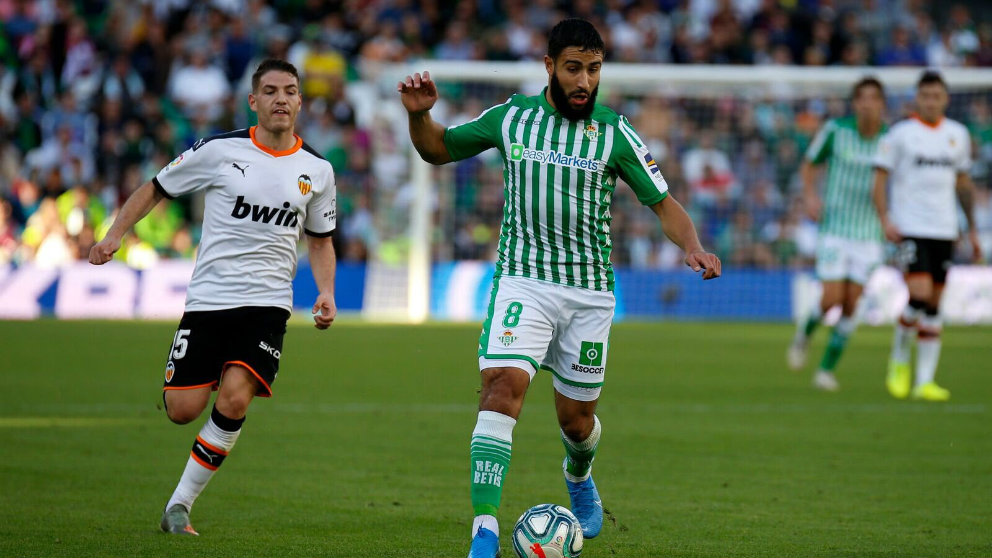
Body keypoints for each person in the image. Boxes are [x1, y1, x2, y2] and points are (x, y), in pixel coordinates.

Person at [398, 19, 721, 558]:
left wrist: (691, 245)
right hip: (523, 278)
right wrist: (420, 116)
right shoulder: (513, 118)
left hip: (589, 292)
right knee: (501, 387)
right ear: (549, 66)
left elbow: (663, 203)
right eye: (574, 68)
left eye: (593, 70)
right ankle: (484, 530)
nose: (584, 82)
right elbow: (438, 149)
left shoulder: (616, 132)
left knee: (576, 420)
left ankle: (579, 471)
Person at [89, 59, 338, 534]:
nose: (281, 99)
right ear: (253, 101)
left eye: (289, 91)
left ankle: (179, 506)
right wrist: (115, 233)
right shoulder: (220, 150)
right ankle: (187, 401)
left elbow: (321, 239)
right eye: (270, 91)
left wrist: (325, 291)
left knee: (236, 396)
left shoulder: (318, 170)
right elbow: (156, 187)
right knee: (183, 410)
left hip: (267, 304)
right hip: (209, 298)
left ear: (301, 101)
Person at [872, 70, 982, 402]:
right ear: (917, 98)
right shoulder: (900, 134)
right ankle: (899, 358)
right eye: (925, 96)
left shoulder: (958, 135)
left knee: (934, 305)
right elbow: (879, 179)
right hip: (910, 227)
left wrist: (972, 229)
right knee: (918, 295)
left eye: (937, 96)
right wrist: (884, 218)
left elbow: (963, 184)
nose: (931, 101)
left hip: (944, 228)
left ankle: (924, 381)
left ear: (945, 99)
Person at [787, 77, 887, 391]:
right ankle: (805, 334)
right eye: (862, 98)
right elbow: (810, 164)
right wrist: (810, 195)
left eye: (874, 98)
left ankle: (826, 370)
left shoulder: (891, 139)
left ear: (882, 104)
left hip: (870, 232)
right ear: (855, 103)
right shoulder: (836, 130)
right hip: (835, 228)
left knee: (851, 304)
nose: (868, 104)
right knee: (831, 298)